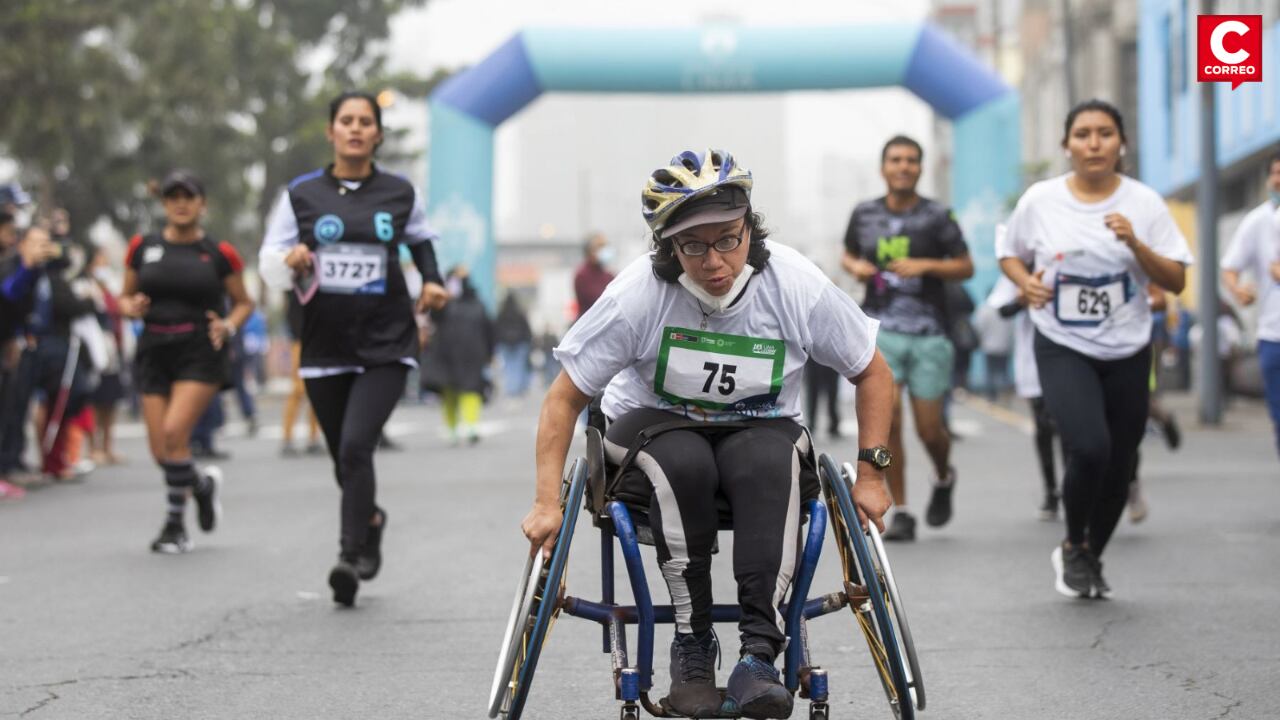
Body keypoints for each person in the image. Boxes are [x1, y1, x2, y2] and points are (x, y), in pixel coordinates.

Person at [521, 149, 895, 719]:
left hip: (759, 425)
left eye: (728, 238)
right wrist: (547, 503)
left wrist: (872, 474)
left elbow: (872, 370)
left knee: (772, 462)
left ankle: (759, 658)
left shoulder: (793, 283)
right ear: (669, 247)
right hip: (653, 427)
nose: (714, 260)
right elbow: (563, 399)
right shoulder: (637, 296)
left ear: (750, 227)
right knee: (685, 464)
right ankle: (692, 645)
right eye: (693, 246)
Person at [258, 90, 448, 607]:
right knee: (344, 455)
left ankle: (350, 554)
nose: (356, 128)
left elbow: (422, 241)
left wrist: (431, 281)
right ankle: (372, 519)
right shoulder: (300, 195)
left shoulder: (398, 191)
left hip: (387, 340)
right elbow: (269, 262)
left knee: (355, 445)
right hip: (323, 343)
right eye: (347, 120)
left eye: (366, 121)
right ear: (331, 131)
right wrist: (290, 259)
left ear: (378, 134)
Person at [998, 99, 1192, 599]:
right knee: (1089, 446)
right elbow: (1009, 254)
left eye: (1105, 133)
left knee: (1122, 462)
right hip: (1063, 342)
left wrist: (1136, 245)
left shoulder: (1144, 203)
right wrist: (1028, 284)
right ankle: (1070, 543)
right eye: (1083, 134)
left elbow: (1174, 278)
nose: (1094, 143)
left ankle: (1089, 554)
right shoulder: (1041, 200)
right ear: (1067, 145)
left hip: (1128, 345)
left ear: (1120, 143)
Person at [841, 135, 973, 541]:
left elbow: (966, 266)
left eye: (911, 160)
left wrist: (925, 265)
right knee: (890, 420)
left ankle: (944, 474)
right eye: (896, 160)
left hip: (931, 332)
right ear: (883, 168)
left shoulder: (938, 216)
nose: (903, 166)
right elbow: (846, 253)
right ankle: (902, 510)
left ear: (920, 168)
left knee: (930, 429)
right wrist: (856, 267)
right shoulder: (864, 214)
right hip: (881, 328)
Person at [120, 170, 254, 553]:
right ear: (163, 204)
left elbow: (244, 302)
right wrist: (132, 307)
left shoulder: (218, 252)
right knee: (160, 451)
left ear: (202, 203)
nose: (181, 203)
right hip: (154, 348)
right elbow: (124, 297)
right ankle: (201, 485)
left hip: (199, 348)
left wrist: (228, 325)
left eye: (188, 196)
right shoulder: (142, 247)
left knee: (175, 434)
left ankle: (174, 527)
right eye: (173, 196)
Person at [1221, 151, 1280, 457]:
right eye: (1275, 173)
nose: (1278, 180)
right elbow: (1229, 267)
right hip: (1273, 335)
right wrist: (1237, 289)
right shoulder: (1257, 221)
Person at [1, 224, 59, 499]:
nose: (41, 247)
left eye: (45, 242)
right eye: (36, 241)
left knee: (18, 405)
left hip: (23, 344)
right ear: (22, 243)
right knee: (8, 408)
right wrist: (27, 265)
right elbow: (9, 295)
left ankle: (14, 460)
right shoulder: (13, 264)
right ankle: (5, 465)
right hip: (9, 343)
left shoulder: (41, 270)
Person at [426, 266, 494, 444]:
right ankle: (451, 428)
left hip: (471, 353)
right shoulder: (443, 302)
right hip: (446, 353)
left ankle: (471, 425)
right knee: (449, 392)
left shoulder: (476, 302)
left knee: (471, 390)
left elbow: (488, 329)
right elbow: (433, 317)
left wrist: (489, 353)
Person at [279, 291, 322, 456]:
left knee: (319, 388)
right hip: (301, 337)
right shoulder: (297, 276)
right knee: (298, 389)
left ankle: (314, 437)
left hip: (320, 337)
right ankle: (287, 437)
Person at [494, 292, 534, 398]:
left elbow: (496, 330)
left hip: (504, 344)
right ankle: (516, 389)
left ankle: (510, 388)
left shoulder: (501, 314)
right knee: (518, 367)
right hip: (520, 344)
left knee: (508, 367)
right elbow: (527, 329)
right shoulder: (520, 313)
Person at [574, 231, 615, 319]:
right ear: (589, 251)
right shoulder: (582, 275)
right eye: (601, 246)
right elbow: (599, 301)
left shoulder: (609, 275)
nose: (605, 250)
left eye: (606, 246)